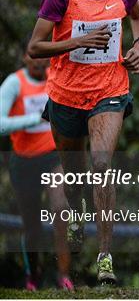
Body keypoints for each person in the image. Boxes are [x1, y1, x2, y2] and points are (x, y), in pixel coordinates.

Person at [27, 0, 139, 285]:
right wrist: (76, 40)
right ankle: (77, 209)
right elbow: (35, 47)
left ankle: (105, 257)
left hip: (110, 90)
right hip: (65, 95)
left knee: (101, 164)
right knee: (75, 176)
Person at [0, 39, 73, 291]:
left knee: (60, 210)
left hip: (53, 157)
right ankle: (33, 275)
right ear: (25, 58)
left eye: (44, 55)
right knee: (31, 227)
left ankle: (64, 276)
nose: (41, 59)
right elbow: (0, 123)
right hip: (24, 162)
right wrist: (33, 119)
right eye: (35, 55)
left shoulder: (56, 77)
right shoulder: (14, 83)